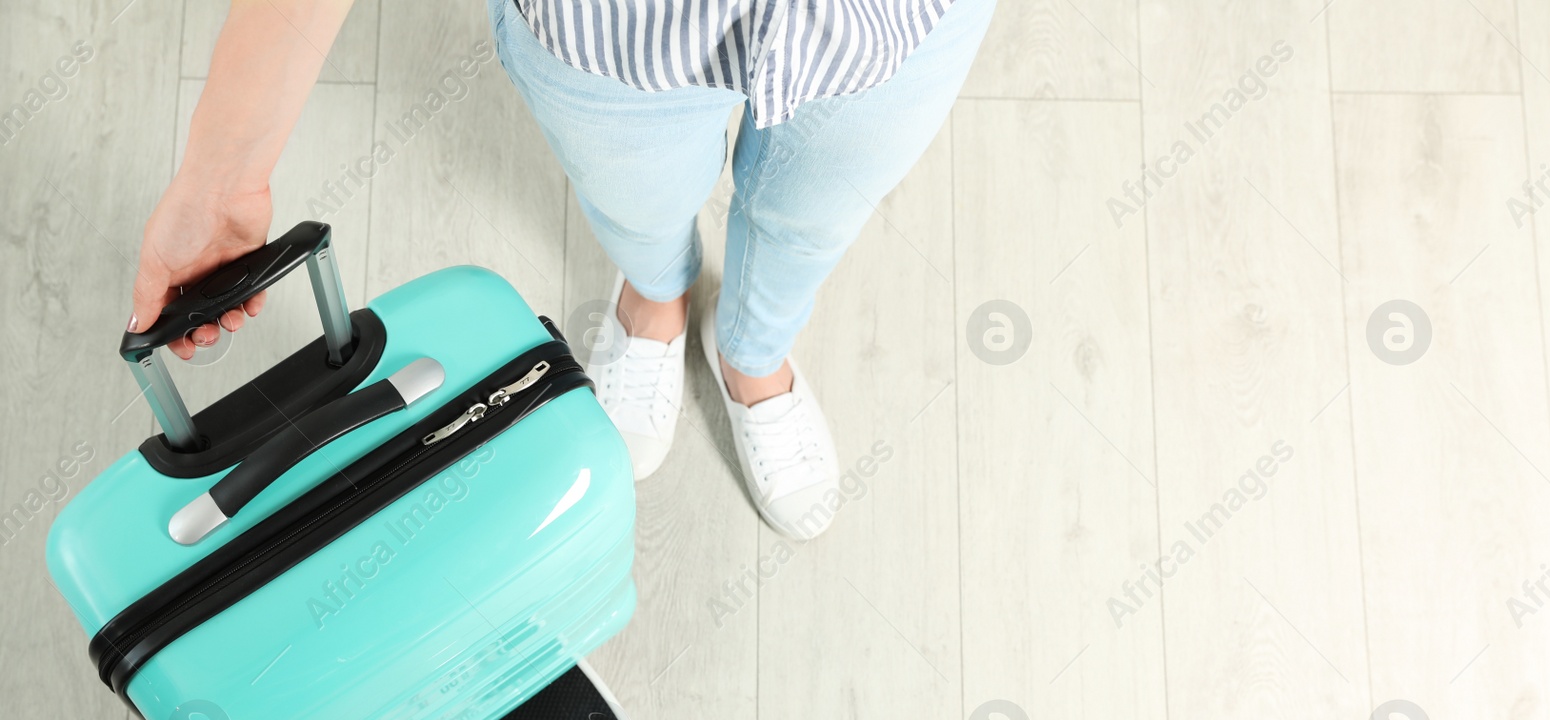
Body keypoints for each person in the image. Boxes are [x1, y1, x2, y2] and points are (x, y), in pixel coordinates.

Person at [131, 0, 995, 539]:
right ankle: (655, 302)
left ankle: (754, 352)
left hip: (896, 25)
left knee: (812, 218)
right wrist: (222, 177)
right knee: (638, 205)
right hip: (611, 29)